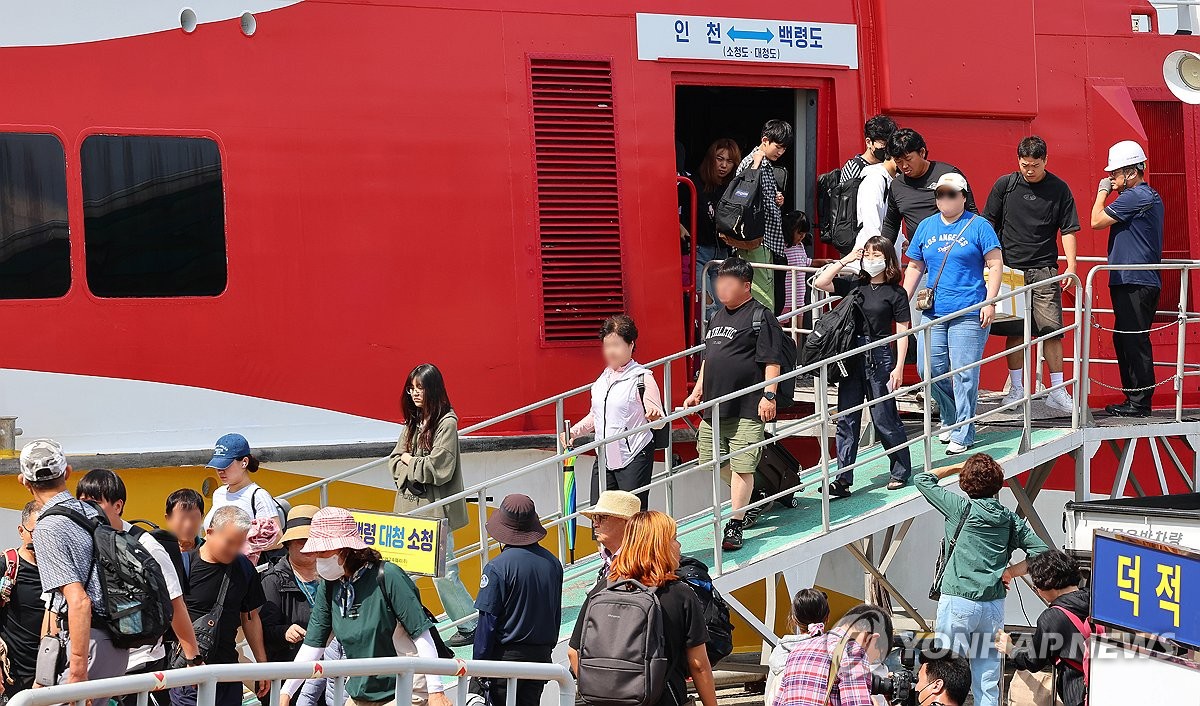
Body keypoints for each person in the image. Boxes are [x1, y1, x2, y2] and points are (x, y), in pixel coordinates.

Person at [279, 507, 451, 706]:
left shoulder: (388, 576)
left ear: (345, 550)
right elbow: (313, 645)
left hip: (405, 688)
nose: (318, 558)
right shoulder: (329, 585)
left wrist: (436, 691)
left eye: (323, 551)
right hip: (362, 691)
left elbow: (421, 634)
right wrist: (286, 692)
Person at [915, 453, 1049, 706]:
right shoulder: (1010, 520)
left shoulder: (959, 508)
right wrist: (1011, 572)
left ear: (965, 482)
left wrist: (956, 467)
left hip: (958, 600)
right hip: (992, 605)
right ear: (998, 483)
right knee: (987, 677)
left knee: (945, 669)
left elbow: (922, 480)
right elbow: (1042, 551)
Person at [684, 257, 785, 551]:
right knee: (709, 460)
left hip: (747, 406)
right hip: (714, 406)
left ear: (746, 285)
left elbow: (771, 361)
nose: (721, 288)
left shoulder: (760, 316)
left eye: (728, 283)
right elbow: (708, 358)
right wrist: (698, 389)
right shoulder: (717, 317)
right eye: (719, 282)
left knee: (742, 467)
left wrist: (769, 395)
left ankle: (735, 524)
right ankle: (753, 494)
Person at [74, 469, 201, 700]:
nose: (87, 510)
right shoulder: (82, 543)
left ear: (118, 505)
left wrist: (193, 659)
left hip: (142, 667)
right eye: (82, 503)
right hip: (94, 664)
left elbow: (175, 603)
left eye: (95, 503)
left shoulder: (146, 547)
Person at [569, 511, 718, 706]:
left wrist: (604, 691)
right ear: (659, 546)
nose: (679, 546)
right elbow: (698, 665)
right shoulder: (680, 594)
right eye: (673, 539)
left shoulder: (604, 587)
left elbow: (574, 652)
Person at [903, 173, 1003, 454]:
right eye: (939, 194)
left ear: (963, 196)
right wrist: (902, 300)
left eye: (949, 194)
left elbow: (995, 264)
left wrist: (990, 301)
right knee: (927, 371)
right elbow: (914, 267)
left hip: (969, 311)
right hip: (933, 312)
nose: (943, 199)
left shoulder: (979, 226)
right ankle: (950, 416)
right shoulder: (926, 226)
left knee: (964, 374)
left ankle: (963, 430)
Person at [18, 439, 129, 693]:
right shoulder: (91, 512)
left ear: (23, 481)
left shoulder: (47, 527)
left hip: (88, 646)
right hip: (114, 642)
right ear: (68, 472)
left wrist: (78, 672)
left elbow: (79, 601)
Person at [983, 136, 1079, 415]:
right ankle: (1016, 388)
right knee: (1013, 331)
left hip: (1045, 269)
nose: (1029, 170)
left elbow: (1068, 228)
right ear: (1018, 161)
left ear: (1046, 160)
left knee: (1052, 330)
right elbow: (988, 223)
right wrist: (991, 262)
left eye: (1035, 165)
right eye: (1025, 165)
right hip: (1010, 268)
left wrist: (1071, 266)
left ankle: (1057, 390)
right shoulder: (1005, 185)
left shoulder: (1059, 189)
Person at [814, 237, 912, 494]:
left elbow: (902, 331)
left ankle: (900, 470)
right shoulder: (855, 285)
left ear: (887, 258)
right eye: (867, 254)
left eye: (875, 254)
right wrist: (846, 259)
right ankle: (843, 479)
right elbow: (821, 282)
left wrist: (899, 366)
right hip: (851, 353)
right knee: (847, 417)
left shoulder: (896, 293)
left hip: (880, 353)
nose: (870, 259)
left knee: (884, 416)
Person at [389, 363, 476, 648]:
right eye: (411, 388)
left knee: (443, 572)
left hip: (436, 511)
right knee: (402, 571)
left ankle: (470, 623)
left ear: (433, 389)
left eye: (420, 388)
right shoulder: (412, 422)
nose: (415, 394)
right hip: (410, 510)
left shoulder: (446, 423)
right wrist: (409, 466)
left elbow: (440, 467)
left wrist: (408, 463)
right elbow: (393, 460)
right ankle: (411, 626)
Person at [1091, 140, 1164, 417]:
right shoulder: (1138, 197)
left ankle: (1140, 402)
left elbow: (1096, 220)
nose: (1111, 179)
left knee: (1134, 338)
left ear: (1131, 172)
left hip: (1137, 280)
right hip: (1128, 279)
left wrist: (1102, 193)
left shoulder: (1137, 196)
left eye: (1115, 174)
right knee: (1124, 339)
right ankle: (1133, 398)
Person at [171, 505, 271, 706]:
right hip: (189, 676)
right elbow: (172, 614)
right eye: (230, 542)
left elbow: (250, 617)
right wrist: (192, 660)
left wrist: (262, 665)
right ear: (209, 533)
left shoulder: (244, 568)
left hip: (228, 675)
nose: (235, 550)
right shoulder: (183, 565)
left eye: (240, 543)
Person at [473, 494, 563, 706]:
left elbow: (487, 625)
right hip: (540, 661)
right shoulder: (553, 563)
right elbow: (555, 615)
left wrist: (478, 668)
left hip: (504, 664)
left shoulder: (496, 568)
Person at [566, 315, 665, 508]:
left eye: (616, 345)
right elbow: (596, 415)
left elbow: (659, 420)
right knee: (600, 515)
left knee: (630, 518)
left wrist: (655, 415)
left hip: (634, 456)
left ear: (630, 345)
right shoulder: (603, 379)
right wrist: (574, 432)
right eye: (607, 345)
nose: (610, 351)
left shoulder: (642, 378)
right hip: (604, 456)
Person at [996, 550, 1094, 706]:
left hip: (1080, 695)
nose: (1038, 592)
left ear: (1048, 585)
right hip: (1110, 690)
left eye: (1036, 587)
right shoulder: (1097, 602)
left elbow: (1033, 661)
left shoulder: (1051, 617)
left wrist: (1010, 648)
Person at [260, 505, 329, 703]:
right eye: (301, 540)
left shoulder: (333, 575)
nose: (307, 546)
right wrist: (284, 632)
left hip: (331, 674)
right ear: (288, 544)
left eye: (312, 541)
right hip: (289, 676)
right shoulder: (272, 580)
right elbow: (263, 630)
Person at [727, 119, 792, 311]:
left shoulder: (764, 163)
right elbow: (742, 195)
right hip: (759, 240)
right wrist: (755, 166)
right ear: (765, 140)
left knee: (762, 291)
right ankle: (763, 335)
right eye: (778, 147)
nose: (781, 152)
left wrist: (776, 198)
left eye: (784, 148)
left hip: (764, 240)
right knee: (762, 295)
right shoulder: (754, 162)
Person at [772, 604, 893, 706]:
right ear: (872, 639)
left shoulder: (798, 649)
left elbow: (777, 702)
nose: (870, 665)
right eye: (876, 657)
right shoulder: (852, 651)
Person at [882, 128, 977, 244]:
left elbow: (971, 212)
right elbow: (891, 224)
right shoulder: (897, 186)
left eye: (908, 159)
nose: (904, 166)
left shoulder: (948, 175)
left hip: (953, 251)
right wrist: (880, 251)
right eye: (898, 161)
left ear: (922, 152)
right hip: (919, 255)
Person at [203, 433, 281, 562]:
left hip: (242, 570)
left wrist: (237, 547)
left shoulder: (258, 496)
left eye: (225, 465)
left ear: (244, 462)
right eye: (217, 466)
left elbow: (278, 539)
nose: (220, 470)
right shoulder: (219, 493)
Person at [0, 501, 43, 699]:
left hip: (50, 672)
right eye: (35, 532)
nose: (41, 540)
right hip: (13, 673)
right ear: (21, 531)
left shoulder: (60, 571)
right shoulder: (7, 566)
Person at [696, 138, 742, 318]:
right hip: (699, 252)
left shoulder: (733, 188)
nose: (724, 165)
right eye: (719, 158)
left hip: (723, 254)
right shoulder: (694, 184)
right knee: (707, 308)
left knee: (723, 307)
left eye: (729, 161)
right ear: (710, 159)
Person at [765, 588, 830, 706]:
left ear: (794, 619)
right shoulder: (835, 649)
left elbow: (770, 698)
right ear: (827, 617)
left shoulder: (781, 652)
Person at [579, 490, 641, 582]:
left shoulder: (641, 562)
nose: (595, 524)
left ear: (626, 523)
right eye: (594, 518)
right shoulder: (608, 559)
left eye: (602, 517)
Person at [855, 154, 900, 255]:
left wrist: (901, 239)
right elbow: (871, 219)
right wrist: (877, 252)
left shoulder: (892, 180)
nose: (906, 165)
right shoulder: (875, 179)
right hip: (874, 253)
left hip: (883, 250)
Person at [840, 114, 897, 183]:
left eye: (889, 144)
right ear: (869, 142)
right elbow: (848, 192)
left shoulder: (892, 165)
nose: (887, 149)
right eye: (883, 144)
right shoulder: (854, 166)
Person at [781, 211, 813, 316]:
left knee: (798, 329)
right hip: (785, 298)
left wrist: (825, 262)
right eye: (800, 233)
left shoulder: (800, 246)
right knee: (781, 328)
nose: (802, 237)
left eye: (804, 234)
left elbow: (805, 262)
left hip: (799, 297)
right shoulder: (782, 247)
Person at [165, 488, 205, 559]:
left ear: (202, 517)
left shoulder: (209, 551)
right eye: (182, 518)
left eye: (193, 518)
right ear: (168, 519)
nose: (188, 525)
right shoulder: (159, 551)